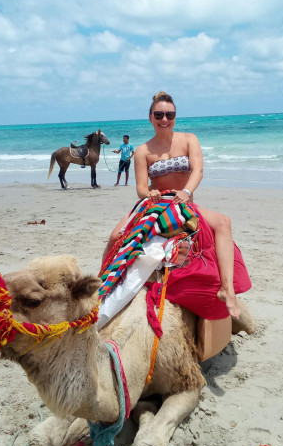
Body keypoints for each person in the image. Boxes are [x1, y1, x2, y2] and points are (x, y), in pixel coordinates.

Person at [104, 91, 249, 319]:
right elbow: (140, 187)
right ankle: (102, 284)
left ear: (175, 117)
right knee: (115, 236)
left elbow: (198, 170)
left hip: (184, 205)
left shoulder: (190, 139)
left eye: (169, 115)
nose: (164, 119)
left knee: (223, 222)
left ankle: (227, 288)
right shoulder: (142, 150)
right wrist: (149, 193)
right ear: (150, 117)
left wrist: (186, 192)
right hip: (156, 206)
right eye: (159, 114)